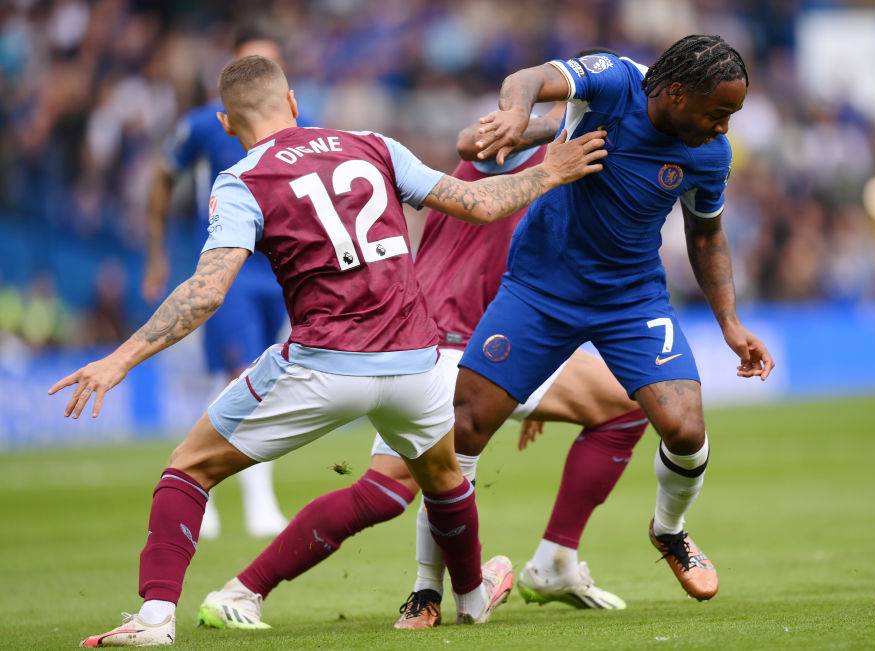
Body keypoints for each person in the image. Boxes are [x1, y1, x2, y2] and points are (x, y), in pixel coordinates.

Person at [50, 54, 607, 646]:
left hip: (324, 365)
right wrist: (551, 172)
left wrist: (119, 359)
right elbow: (481, 203)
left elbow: (207, 291)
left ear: (225, 124)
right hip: (416, 365)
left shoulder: (241, 180)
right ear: (293, 102)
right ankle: (471, 597)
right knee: (446, 479)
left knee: (188, 469)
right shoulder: (373, 145)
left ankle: (155, 619)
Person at [194, 99, 647, 634]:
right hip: (448, 338)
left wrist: (535, 366)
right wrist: (559, 125)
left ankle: (248, 591)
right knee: (400, 486)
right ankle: (482, 580)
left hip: (467, 339)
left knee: (388, 491)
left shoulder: (574, 172)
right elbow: (471, 143)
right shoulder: (524, 151)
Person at [451, 35, 776, 603]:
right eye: (718, 112)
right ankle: (443, 584)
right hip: (540, 289)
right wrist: (517, 116)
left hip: (631, 300)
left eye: (733, 115)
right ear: (677, 92)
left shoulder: (710, 154)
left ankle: (669, 531)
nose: (724, 128)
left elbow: (706, 234)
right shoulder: (615, 80)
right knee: (466, 426)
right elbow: (527, 78)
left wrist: (729, 322)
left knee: (686, 430)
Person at [142, 21, 306, 539]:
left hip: (282, 271)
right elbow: (163, 177)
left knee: (259, 375)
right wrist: (156, 253)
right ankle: (249, 499)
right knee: (243, 373)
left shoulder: (303, 123)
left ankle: (199, 483)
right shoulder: (202, 125)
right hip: (229, 270)